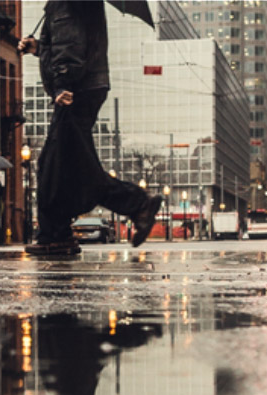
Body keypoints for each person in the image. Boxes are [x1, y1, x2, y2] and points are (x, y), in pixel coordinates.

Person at [20, 0, 162, 256]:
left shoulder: (66, 2)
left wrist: (63, 83)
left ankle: (137, 204)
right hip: (84, 86)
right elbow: (70, 42)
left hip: (75, 90)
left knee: (62, 167)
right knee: (64, 165)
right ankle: (57, 232)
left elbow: (70, 45)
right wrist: (39, 48)